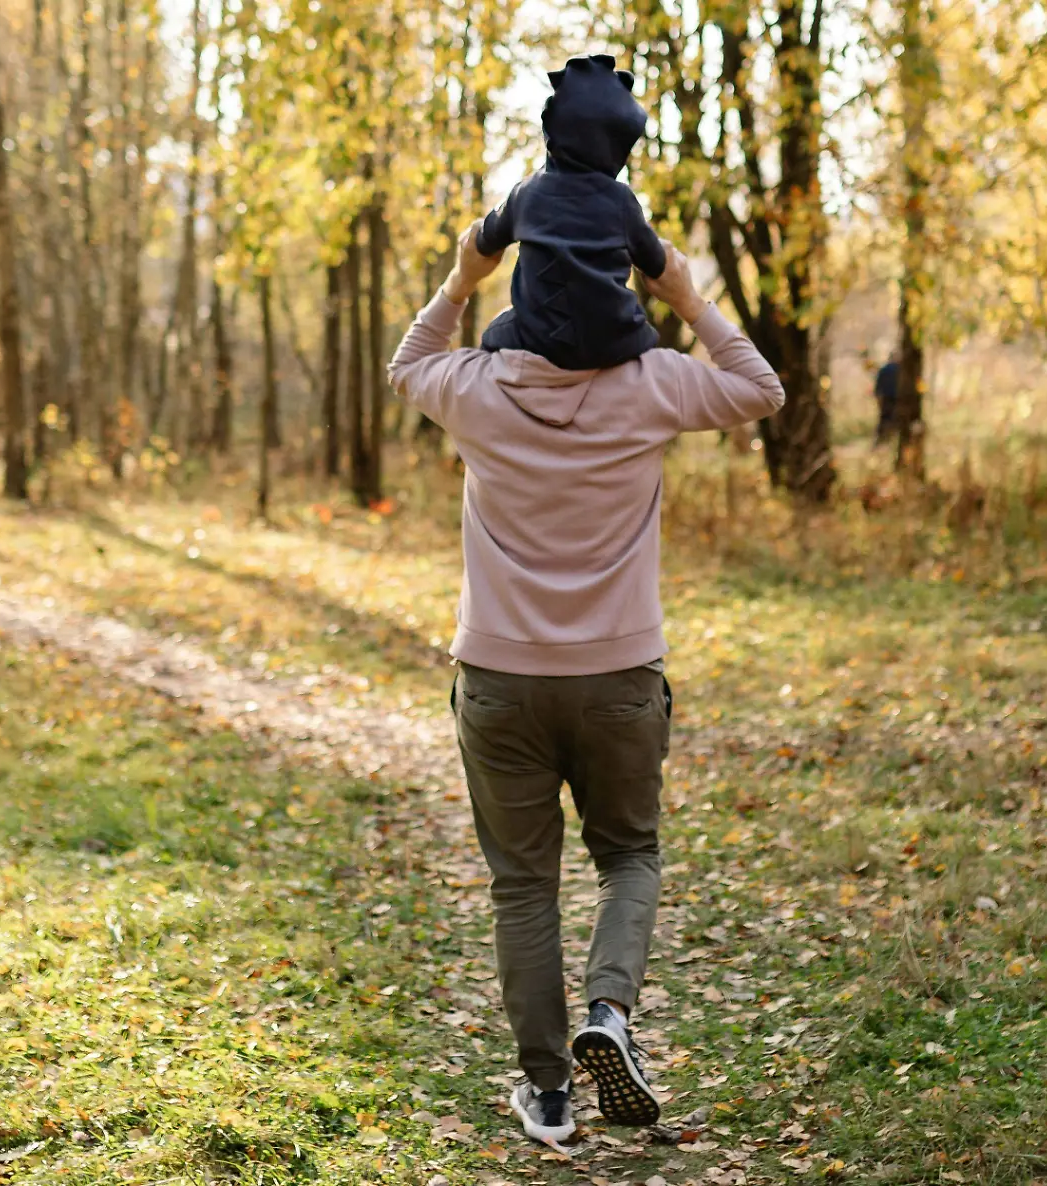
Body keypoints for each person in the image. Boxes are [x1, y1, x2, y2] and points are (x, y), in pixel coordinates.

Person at [387, 222, 785, 1145]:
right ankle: (608, 1014)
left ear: (524, 290)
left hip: (498, 682)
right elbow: (762, 388)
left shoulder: (476, 389)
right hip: (618, 681)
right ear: (619, 290)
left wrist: (461, 275)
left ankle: (551, 1094)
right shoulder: (652, 387)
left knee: (523, 886)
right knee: (629, 859)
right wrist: (682, 287)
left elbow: (408, 364)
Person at [474, 54, 667, 372]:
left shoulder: (527, 193)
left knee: (492, 334)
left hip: (536, 338)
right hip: (615, 340)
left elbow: (486, 240)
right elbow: (656, 263)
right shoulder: (622, 201)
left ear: (553, 130)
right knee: (644, 336)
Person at [874, 355, 900, 444]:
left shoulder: (883, 370)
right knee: (894, 420)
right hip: (896, 399)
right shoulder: (900, 370)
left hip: (886, 399)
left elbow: (877, 389)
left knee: (884, 420)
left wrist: (879, 401)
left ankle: (881, 441)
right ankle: (889, 441)